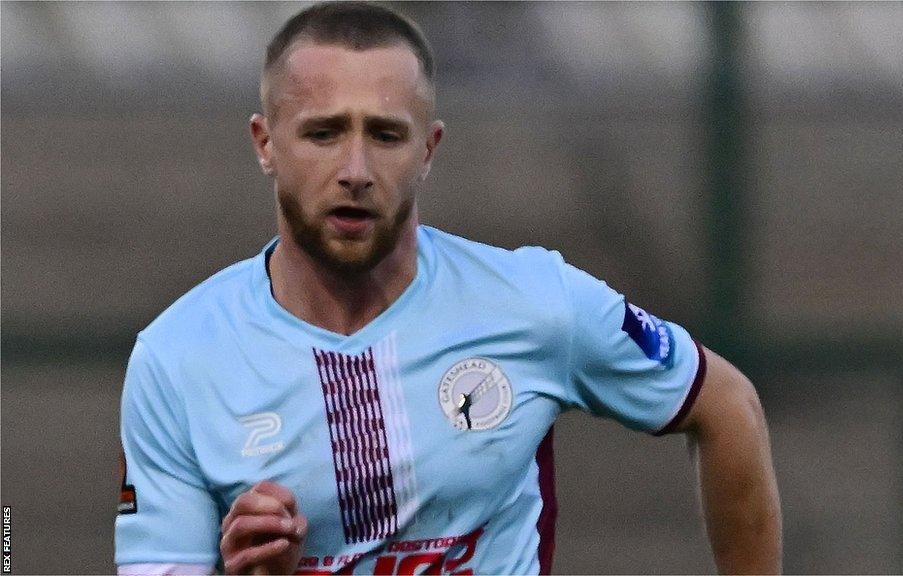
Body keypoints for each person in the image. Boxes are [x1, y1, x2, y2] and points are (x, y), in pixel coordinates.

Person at [114, 2, 782, 574]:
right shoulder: (177, 359)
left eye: (385, 135)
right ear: (266, 143)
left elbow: (728, 406)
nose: (355, 169)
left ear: (428, 150)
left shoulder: (534, 302)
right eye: (322, 133)